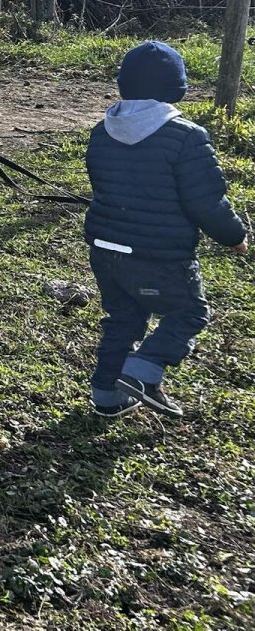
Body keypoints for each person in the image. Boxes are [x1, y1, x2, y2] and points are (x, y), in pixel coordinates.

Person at [84, 40, 247, 419]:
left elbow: (102, 182)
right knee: (189, 312)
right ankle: (142, 372)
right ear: (178, 87)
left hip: (105, 249)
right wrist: (234, 236)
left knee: (122, 320)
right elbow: (206, 202)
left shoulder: (101, 130)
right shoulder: (187, 137)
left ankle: (107, 396)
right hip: (157, 256)